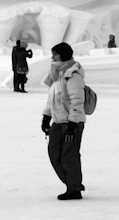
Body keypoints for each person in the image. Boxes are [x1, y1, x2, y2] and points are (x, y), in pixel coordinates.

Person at [41, 42, 86, 201]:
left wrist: (72, 125)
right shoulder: (57, 74)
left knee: (69, 155)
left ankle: (74, 188)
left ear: (63, 55)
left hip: (70, 123)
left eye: (55, 54)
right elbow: (52, 99)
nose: (52, 57)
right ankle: (72, 183)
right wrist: (46, 116)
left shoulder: (72, 74)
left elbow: (77, 101)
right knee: (54, 154)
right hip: (58, 122)